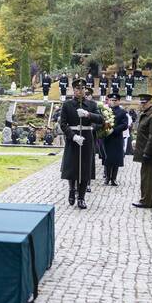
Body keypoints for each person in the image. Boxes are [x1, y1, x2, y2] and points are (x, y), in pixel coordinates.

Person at [59, 78, 104, 209]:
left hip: (86, 139)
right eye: (78, 89)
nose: (80, 91)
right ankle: (72, 189)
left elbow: (101, 119)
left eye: (82, 88)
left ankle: (82, 197)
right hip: (73, 139)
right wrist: (73, 136)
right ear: (74, 90)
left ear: (85, 90)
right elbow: (63, 124)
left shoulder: (92, 104)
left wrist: (88, 114)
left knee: (85, 168)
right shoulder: (67, 105)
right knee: (72, 166)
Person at [129, 93, 152, 207]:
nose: (142, 105)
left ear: (150, 102)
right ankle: (147, 199)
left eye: (144, 103)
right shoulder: (147, 114)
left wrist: (147, 153)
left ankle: (147, 201)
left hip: (150, 153)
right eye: (141, 102)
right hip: (146, 151)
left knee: (148, 177)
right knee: (146, 176)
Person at [101, 94, 128, 186]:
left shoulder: (122, 112)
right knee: (107, 158)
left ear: (118, 101)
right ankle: (107, 177)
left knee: (116, 159)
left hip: (116, 138)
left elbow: (125, 125)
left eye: (115, 100)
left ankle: (114, 178)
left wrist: (114, 130)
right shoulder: (105, 111)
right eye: (111, 100)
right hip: (107, 137)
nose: (113, 102)